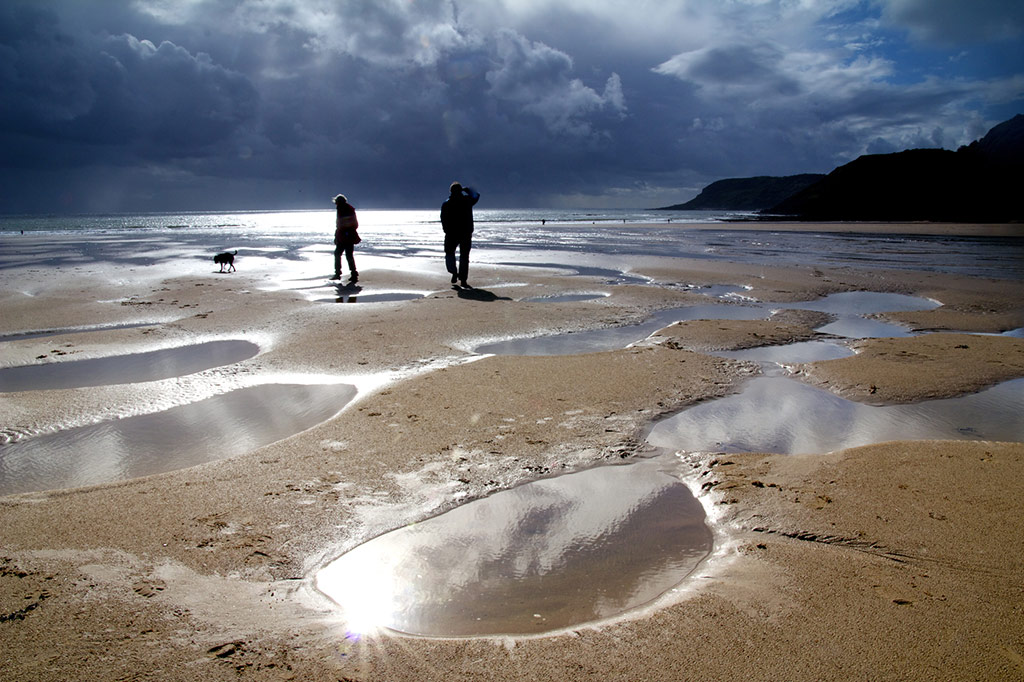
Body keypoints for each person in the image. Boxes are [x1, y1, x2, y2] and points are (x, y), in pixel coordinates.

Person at [440, 182, 480, 287]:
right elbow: (476, 195)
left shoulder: (447, 203)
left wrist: (446, 230)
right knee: (464, 257)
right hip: (465, 233)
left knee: (449, 254)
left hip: (451, 233)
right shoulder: (467, 201)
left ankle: (453, 272)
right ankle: (463, 279)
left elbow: (443, 219)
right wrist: (467, 189)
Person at [331, 194, 360, 283]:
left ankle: (339, 273)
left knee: (340, 254)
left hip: (346, 237)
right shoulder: (346, 209)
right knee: (347, 255)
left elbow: (347, 224)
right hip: (345, 236)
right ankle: (353, 274)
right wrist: (337, 236)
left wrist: (344, 233)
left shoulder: (345, 209)